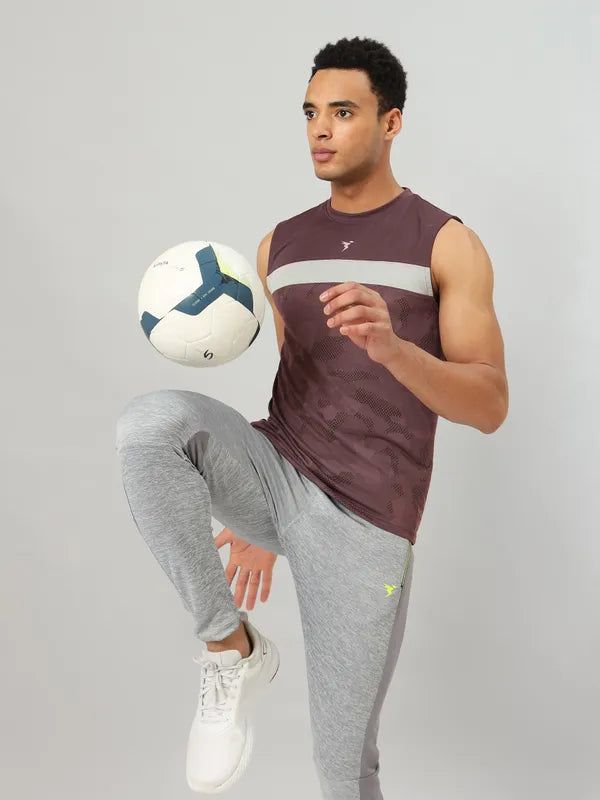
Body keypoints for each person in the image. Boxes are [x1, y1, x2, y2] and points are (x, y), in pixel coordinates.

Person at [115, 35, 509, 800]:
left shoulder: (446, 243)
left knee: (342, 766)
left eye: (343, 112)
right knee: (150, 424)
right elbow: (300, 382)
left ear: (391, 122)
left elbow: (489, 404)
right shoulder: (280, 246)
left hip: (368, 522)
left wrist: (395, 351)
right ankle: (229, 648)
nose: (320, 129)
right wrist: (257, 516)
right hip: (280, 474)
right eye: (310, 113)